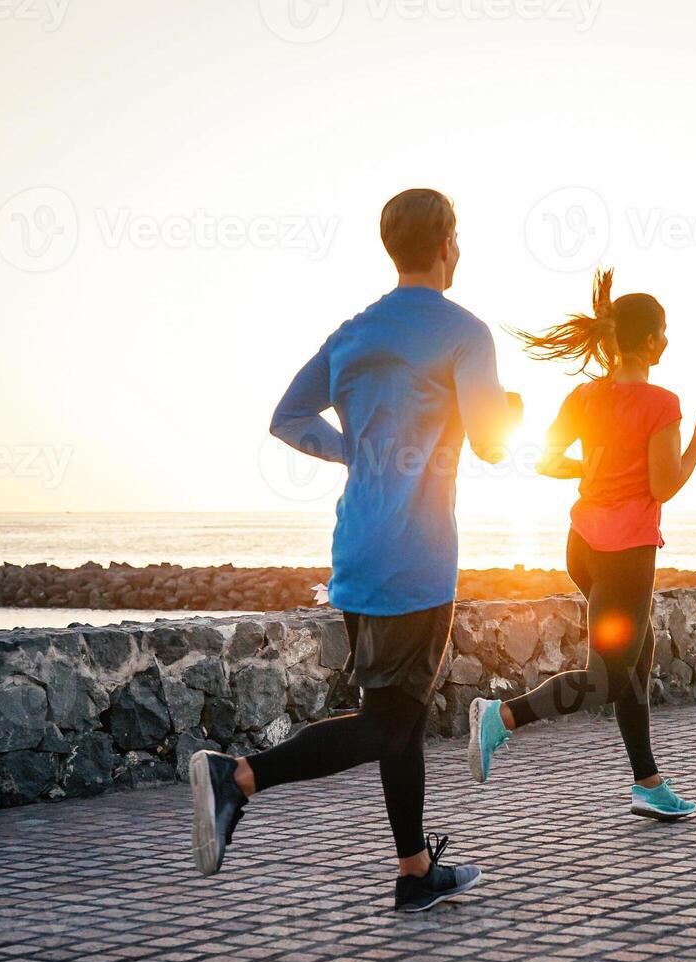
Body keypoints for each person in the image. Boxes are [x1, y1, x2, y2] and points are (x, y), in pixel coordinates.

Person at [188, 189, 522, 913]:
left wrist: (358, 455)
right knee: (393, 723)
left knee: (393, 719)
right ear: (446, 245)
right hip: (418, 556)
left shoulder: (352, 332)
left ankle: (413, 873)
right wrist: (514, 411)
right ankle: (238, 778)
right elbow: (495, 443)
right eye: (457, 240)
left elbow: (287, 417)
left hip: (356, 549)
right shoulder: (464, 332)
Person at [466, 268, 696, 821]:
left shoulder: (585, 395)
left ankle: (648, 784)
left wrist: (592, 466)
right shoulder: (662, 403)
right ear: (650, 340)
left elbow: (545, 459)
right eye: (663, 332)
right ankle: (500, 718)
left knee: (635, 661)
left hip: (581, 547)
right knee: (608, 678)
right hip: (627, 555)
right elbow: (663, 486)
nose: (668, 341)